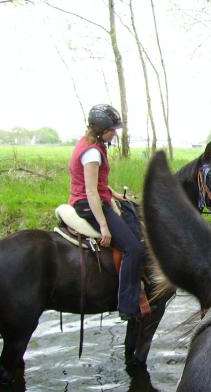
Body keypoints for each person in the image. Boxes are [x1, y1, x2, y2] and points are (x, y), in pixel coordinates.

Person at [68, 104, 146, 321]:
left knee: (132, 214)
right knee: (133, 249)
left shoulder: (90, 144)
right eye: (112, 129)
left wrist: (115, 195)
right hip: (89, 205)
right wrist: (103, 225)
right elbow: (91, 192)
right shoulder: (92, 153)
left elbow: (97, 183)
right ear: (102, 129)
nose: (115, 133)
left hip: (95, 198)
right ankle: (127, 306)